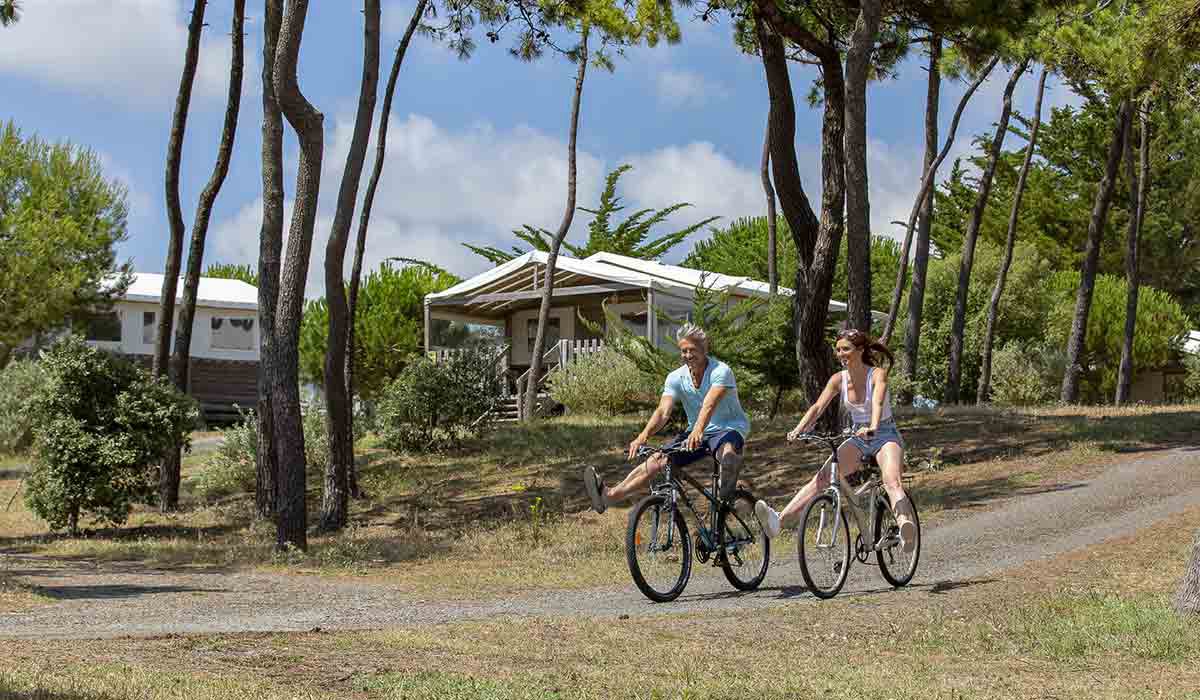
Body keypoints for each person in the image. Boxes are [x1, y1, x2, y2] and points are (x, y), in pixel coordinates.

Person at [754, 328, 917, 553]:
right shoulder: (838, 379)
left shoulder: (877, 374)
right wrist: (798, 429)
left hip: (884, 432)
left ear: (860, 350)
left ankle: (905, 527)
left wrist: (873, 426)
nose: (841, 354)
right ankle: (778, 521)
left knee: (892, 482)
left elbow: (878, 402)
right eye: (838, 350)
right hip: (857, 436)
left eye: (846, 349)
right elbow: (818, 407)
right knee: (822, 478)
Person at [583, 323, 749, 514]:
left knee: (726, 455)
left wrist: (697, 430)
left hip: (728, 428)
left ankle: (727, 491)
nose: (687, 355)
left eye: (692, 350)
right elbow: (663, 412)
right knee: (657, 460)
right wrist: (643, 435)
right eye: (683, 351)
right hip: (697, 433)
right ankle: (609, 496)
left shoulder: (721, 371)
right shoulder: (675, 377)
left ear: (704, 349)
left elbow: (709, 404)